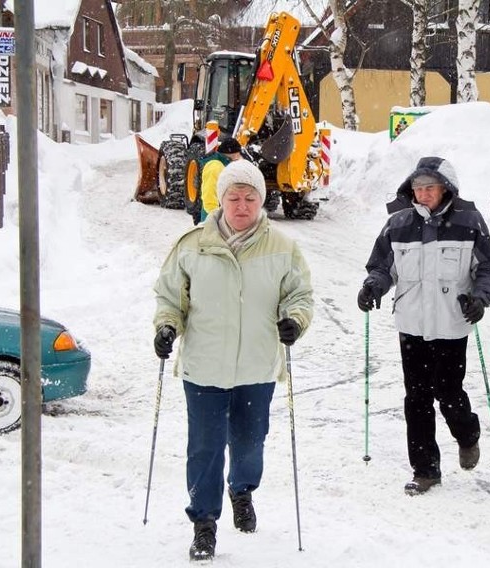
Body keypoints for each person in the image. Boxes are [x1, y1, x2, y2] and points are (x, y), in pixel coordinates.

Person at [153, 159, 314, 561]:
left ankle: (242, 491)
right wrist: (167, 326)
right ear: (220, 200)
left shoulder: (283, 247)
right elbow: (170, 298)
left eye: (250, 198)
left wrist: (295, 320)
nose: (242, 205)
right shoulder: (192, 245)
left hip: (256, 367)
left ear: (261, 200)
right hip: (204, 367)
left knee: (249, 443)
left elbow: (300, 296)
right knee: (205, 448)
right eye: (234, 197)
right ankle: (204, 523)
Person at [357, 156, 490, 496]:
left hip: (452, 326)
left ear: (445, 189)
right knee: (417, 398)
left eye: (429, 188)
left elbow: (489, 269)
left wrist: (480, 299)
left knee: (449, 394)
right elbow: (382, 267)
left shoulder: (469, 222)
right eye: (418, 188)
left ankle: (468, 434)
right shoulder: (398, 224)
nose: (422, 194)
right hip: (412, 327)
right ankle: (425, 470)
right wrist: (371, 287)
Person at [198, 138, 244, 223]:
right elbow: (209, 196)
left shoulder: (226, 167)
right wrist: (216, 219)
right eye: (237, 156)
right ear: (229, 155)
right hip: (214, 222)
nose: (239, 159)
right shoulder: (215, 167)